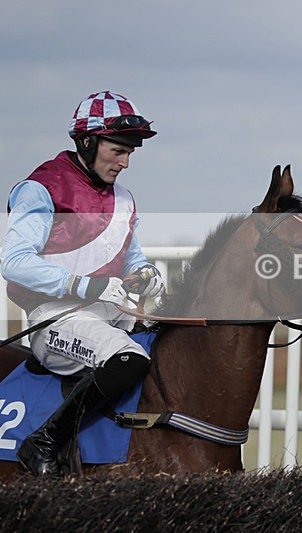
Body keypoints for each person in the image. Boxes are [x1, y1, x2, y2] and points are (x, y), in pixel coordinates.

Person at [1, 91, 165, 476]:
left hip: (113, 318)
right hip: (55, 321)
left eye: (130, 154)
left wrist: (146, 275)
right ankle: (43, 442)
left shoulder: (124, 199)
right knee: (129, 361)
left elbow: (131, 259)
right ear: (88, 142)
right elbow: (14, 262)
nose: (124, 163)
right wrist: (84, 286)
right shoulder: (41, 188)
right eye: (117, 151)